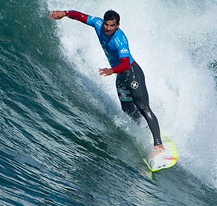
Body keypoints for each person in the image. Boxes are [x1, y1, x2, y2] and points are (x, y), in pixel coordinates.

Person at [48, 8, 164, 154]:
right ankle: (144, 128)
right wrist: (65, 13)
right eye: (106, 25)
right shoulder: (98, 24)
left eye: (112, 26)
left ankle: (158, 145)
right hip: (121, 76)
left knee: (143, 106)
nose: (108, 28)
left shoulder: (119, 40)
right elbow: (81, 16)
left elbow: (126, 63)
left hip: (132, 74)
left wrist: (111, 70)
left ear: (118, 26)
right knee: (127, 109)